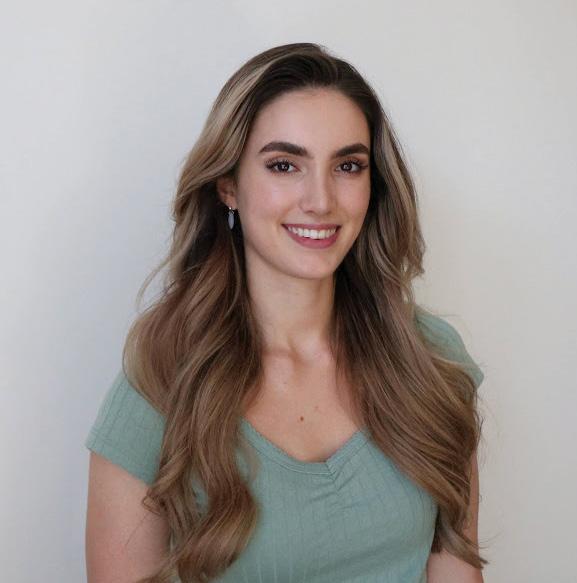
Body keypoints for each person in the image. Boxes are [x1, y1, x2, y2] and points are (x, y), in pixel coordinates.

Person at [84, 42, 487, 583]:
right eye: (284, 165)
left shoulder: (430, 360)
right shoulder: (159, 380)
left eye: (348, 166)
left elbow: (456, 566)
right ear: (228, 185)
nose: (320, 200)